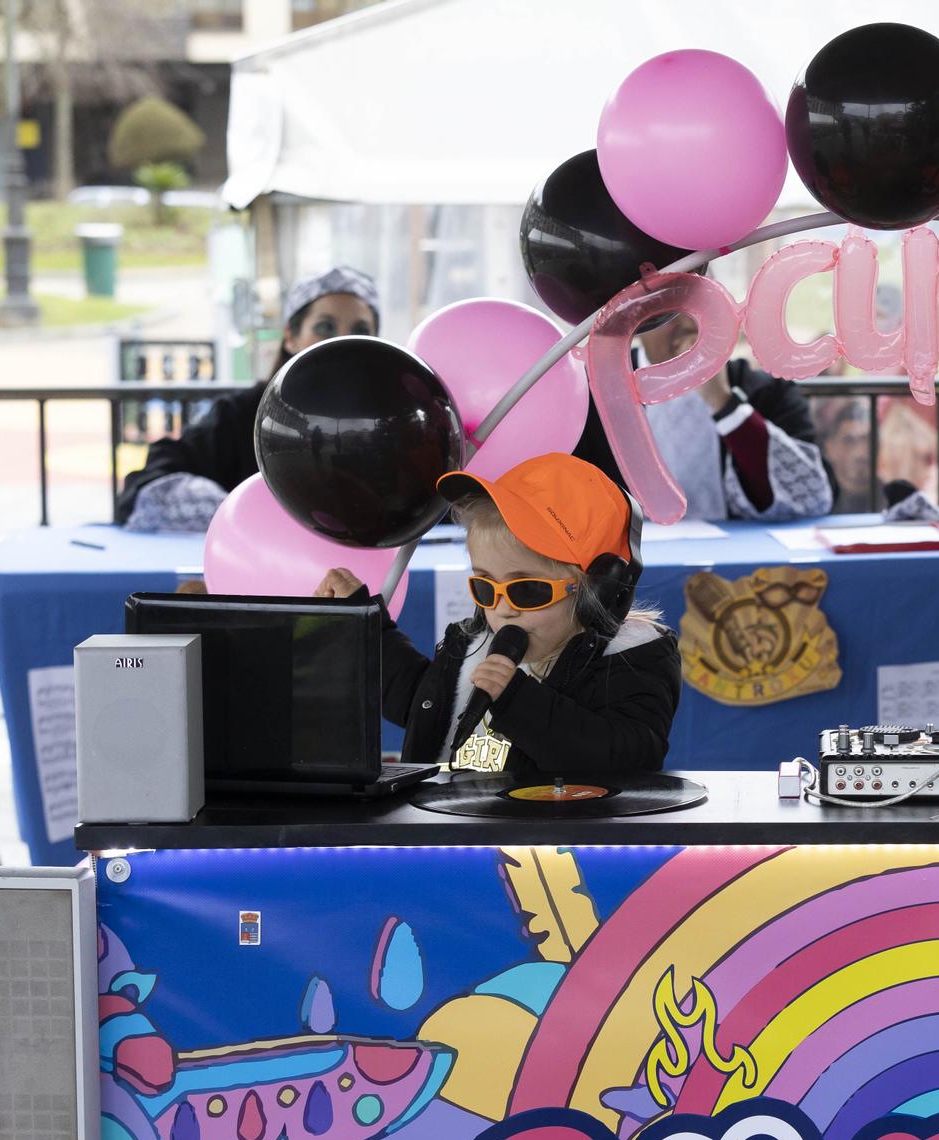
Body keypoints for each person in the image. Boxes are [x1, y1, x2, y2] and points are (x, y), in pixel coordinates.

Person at [314, 453, 679, 776]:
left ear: (600, 591)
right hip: (452, 837)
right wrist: (362, 628)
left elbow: (629, 757)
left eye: (527, 589)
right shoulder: (473, 647)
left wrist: (519, 702)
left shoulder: (632, 661)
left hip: (543, 850)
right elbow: (419, 704)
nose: (503, 608)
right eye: (486, 587)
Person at [116, 266, 380, 530]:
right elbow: (147, 486)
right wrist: (236, 516)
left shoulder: (391, 425)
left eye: (361, 330)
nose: (343, 341)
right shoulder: (239, 416)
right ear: (291, 337)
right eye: (325, 327)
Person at [574, 311, 834, 521]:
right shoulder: (594, 391)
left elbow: (810, 498)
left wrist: (722, 401)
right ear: (638, 323)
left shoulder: (767, 391)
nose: (688, 323)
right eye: (670, 312)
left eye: (702, 308)